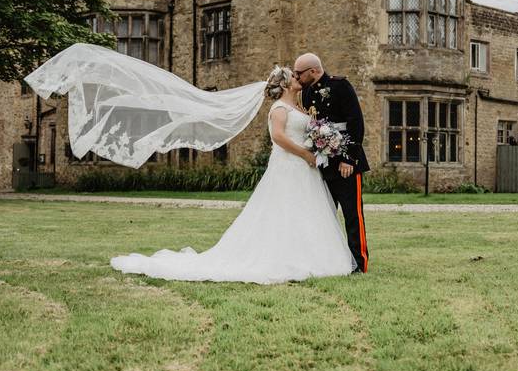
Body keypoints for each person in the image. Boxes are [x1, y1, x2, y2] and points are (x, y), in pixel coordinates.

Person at [107, 66, 356, 283]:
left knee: (305, 212)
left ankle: (310, 255)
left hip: (306, 168)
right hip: (290, 166)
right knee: (284, 211)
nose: (297, 79)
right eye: (293, 76)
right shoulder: (279, 109)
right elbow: (278, 137)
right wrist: (304, 154)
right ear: (285, 84)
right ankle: (284, 257)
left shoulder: (299, 106)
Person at [294, 53, 369, 273]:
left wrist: (348, 159)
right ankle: (331, 261)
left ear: (313, 71)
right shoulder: (306, 93)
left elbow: (356, 122)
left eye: (300, 73)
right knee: (325, 215)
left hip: (345, 163)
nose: (297, 77)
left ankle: (359, 263)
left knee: (352, 215)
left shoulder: (340, 86)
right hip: (323, 163)